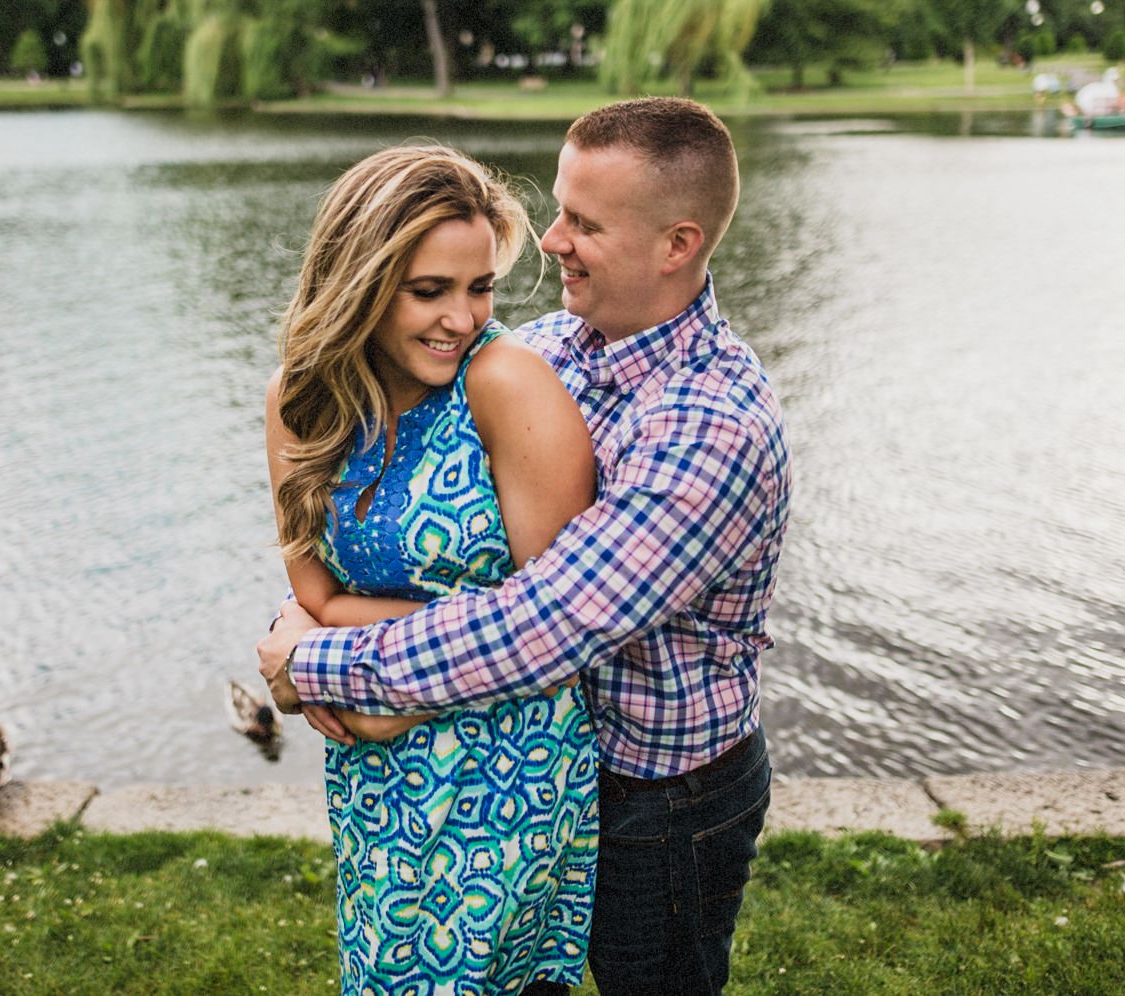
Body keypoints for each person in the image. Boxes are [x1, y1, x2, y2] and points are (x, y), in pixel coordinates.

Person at [261, 97, 792, 995]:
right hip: (508, 755)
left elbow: (539, 627)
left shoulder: (713, 427)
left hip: (661, 797)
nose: (549, 241)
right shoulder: (544, 349)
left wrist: (315, 664)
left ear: (677, 244)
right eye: (557, 209)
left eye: (583, 222)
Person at [264, 145, 600, 996]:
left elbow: (553, 631)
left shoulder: (506, 384)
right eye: (429, 291)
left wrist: (313, 655)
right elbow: (314, 591)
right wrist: (314, 638)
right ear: (360, 283)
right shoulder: (300, 397)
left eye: (479, 287)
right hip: (376, 764)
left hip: (508, 769)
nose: (462, 317)